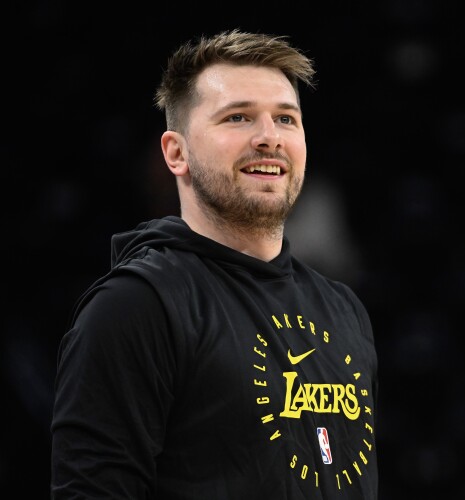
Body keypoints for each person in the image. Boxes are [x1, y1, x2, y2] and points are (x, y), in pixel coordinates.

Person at [51, 29, 379, 499]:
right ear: (176, 153)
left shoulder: (344, 310)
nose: (269, 138)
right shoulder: (135, 306)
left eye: (286, 119)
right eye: (238, 117)